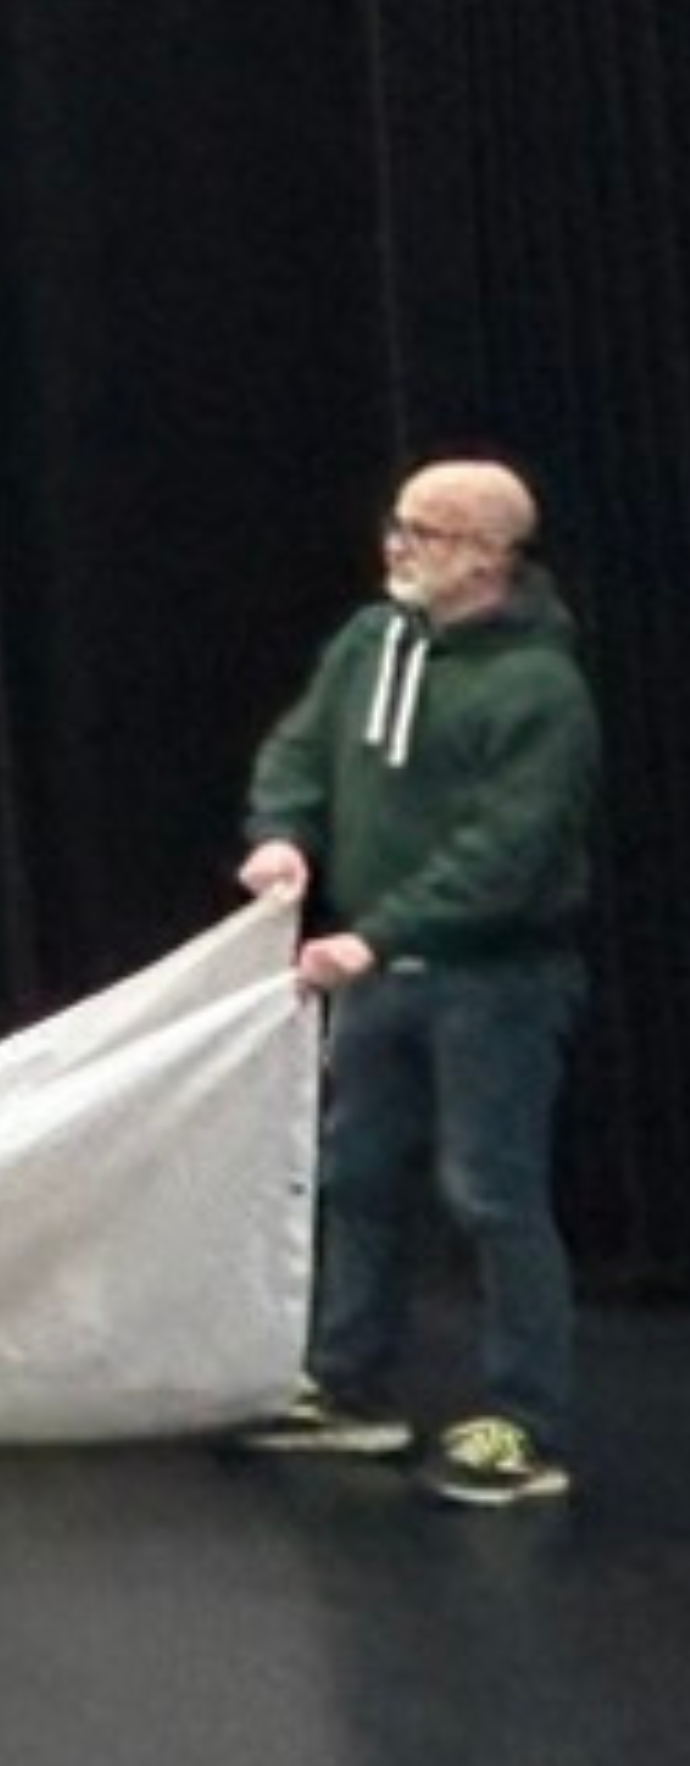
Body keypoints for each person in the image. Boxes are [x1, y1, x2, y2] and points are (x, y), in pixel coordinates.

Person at [227, 459, 599, 1506]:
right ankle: (350, 1385)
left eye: (425, 535)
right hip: (382, 976)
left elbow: (507, 852)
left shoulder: (537, 690)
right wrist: (282, 837)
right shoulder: (367, 642)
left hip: (494, 983)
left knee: (489, 1193)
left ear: (487, 557)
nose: (396, 548)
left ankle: (526, 1425)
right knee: (357, 1174)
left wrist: (376, 936)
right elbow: (299, 749)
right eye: (396, 525)